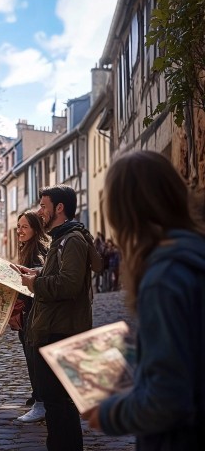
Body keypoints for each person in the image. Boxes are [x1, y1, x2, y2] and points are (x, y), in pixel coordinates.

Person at [83, 150, 205, 450]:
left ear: (123, 212)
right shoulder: (194, 252)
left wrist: (108, 413)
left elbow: (167, 401)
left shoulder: (164, 278)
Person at [17, 185, 94, 451]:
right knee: (55, 402)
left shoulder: (71, 239)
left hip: (60, 330)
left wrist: (35, 284)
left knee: (60, 403)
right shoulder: (61, 238)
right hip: (51, 327)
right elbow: (58, 277)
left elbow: (69, 285)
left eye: (43, 205)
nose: (40, 211)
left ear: (58, 208)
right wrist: (37, 275)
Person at [13, 211, 48, 416]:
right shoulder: (27, 248)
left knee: (34, 356)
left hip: (35, 312)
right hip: (27, 310)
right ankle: (38, 395)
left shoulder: (39, 250)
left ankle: (41, 401)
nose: (20, 230)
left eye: (24, 227)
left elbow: (36, 280)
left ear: (35, 229)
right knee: (29, 354)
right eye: (19, 226)